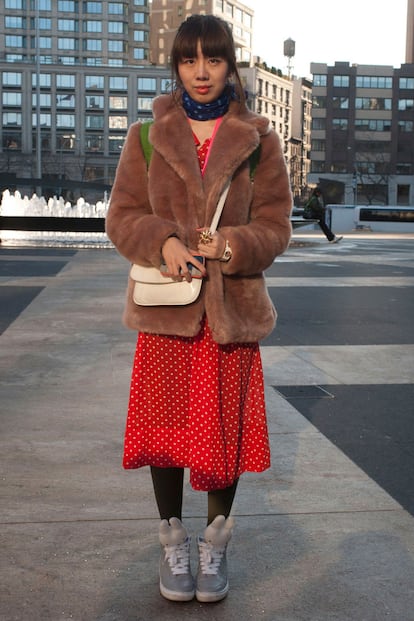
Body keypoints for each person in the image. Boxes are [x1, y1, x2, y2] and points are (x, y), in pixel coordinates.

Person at [106, 14, 292, 604]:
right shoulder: (147, 136)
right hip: (168, 315)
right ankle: (172, 541)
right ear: (176, 67)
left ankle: (215, 547)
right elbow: (122, 216)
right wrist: (162, 239)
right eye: (189, 60)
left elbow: (277, 226)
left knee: (221, 439)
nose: (201, 72)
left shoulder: (259, 140)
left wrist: (232, 245)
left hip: (230, 314)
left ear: (230, 65)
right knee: (166, 433)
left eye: (212, 59)